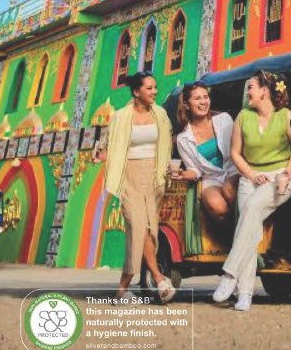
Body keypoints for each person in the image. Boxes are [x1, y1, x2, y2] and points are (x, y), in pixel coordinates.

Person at [212, 70, 291, 311]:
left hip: (281, 177)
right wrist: (251, 175)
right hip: (250, 177)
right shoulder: (243, 116)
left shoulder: (286, 116)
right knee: (247, 226)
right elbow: (235, 153)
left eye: (250, 87)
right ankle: (245, 295)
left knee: (250, 210)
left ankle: (229, 274)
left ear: (264, 91)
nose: (247, 92)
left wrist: (286, 174)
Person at [95, 71, 175, 302]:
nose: (155, 92)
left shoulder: (160, 114)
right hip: (129, 175)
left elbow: (168, 141)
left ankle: (122, 289)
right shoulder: (120, 117)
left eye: (155, 87)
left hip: (154, 176)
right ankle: (159, 279)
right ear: (136, 92)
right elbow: (110, 145)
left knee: (147, 229)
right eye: (149, 88)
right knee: (139, 225)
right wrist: (101, 156)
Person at [174, 82, 239, 225]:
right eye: (197, 98)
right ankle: (230, 239)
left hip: (235, 171)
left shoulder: (224, 119)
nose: (203, 102)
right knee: (218, 208)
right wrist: (183, 174)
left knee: (229, 191)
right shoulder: (182, 138)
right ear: (186, 104)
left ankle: (248, 234)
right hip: (211, 178)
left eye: (205, 97)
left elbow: (239, 148)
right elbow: (195, 170)